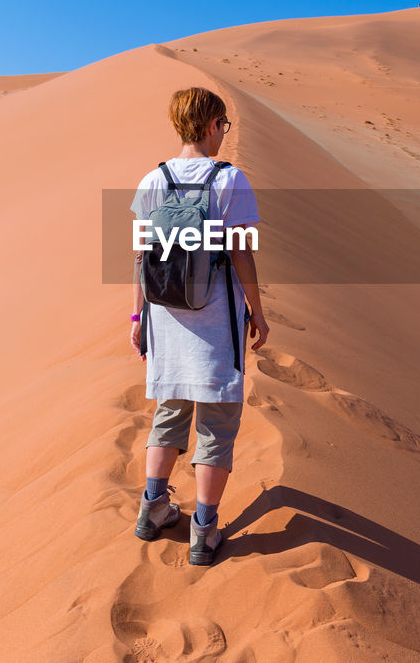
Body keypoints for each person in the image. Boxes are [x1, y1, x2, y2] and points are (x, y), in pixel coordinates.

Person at [128, 86, 269, 566]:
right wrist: (258, 309)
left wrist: (137, 316)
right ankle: (203, 533)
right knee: (217, 424)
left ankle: (152, 510)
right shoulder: (230, 180)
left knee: (169, 412)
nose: (224, 136)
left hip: (165, 317)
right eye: (223, 127)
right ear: (212, 125)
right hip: (215, 324)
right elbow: (240, 251)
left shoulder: (154, 179)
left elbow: (140, 256)